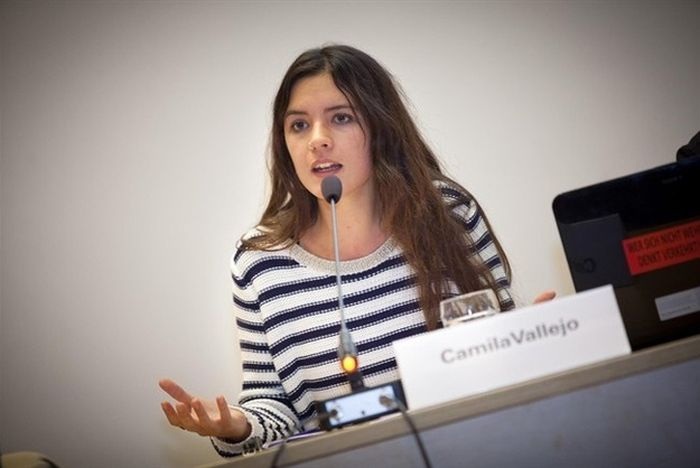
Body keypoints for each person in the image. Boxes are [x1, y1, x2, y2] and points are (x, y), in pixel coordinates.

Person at [159, 44, 554, 457]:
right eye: (298, 125)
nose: (317, 140)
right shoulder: (259, 261)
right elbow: (274, 405)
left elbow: (502, 351)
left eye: (341, 118)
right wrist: (236, 426)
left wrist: (536, 338)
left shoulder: (448, 214)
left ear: (381, 126)